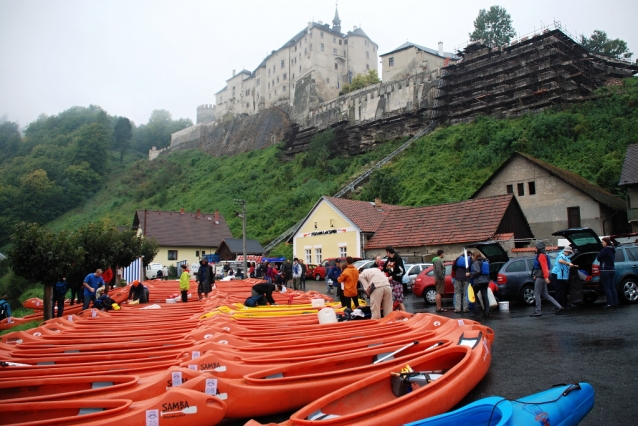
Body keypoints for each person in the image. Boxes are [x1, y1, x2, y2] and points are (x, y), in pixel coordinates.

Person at [530, 241, 563, 317]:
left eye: (536, 248)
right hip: (541, 276)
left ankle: (538, 311)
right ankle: (558, 306)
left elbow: (544, 267)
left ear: (539, 248)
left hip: (541, 277)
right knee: (545, 294)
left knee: (537, 294)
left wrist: (546, 277)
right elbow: (541, 267)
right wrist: (536, 275)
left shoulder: (541, 256)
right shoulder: (542, 255)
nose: (535, 249)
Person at [598, 237, 618, 309]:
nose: (601, 243)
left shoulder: (605, 249)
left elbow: (598, 258)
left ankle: (609, 303)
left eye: (602, 242)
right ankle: (615, 302)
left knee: (607, 287)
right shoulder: (612, 250)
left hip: (605, 270)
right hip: (612, 269)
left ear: (606, 242)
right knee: (612, 287)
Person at [384, 246, 406, 311]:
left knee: (399, 301)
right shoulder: (389, 259)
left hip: (397, 282)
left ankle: (405, 316)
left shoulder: (398, 259)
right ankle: (397, 316)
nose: (386, 254)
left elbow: (402, 272)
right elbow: (385, 268)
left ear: (388, 252)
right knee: (393, 301)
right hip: (390, 282)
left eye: (386, 252)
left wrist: (393, 277)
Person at [470, 252, 491, 318]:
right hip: (486, 280)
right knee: (485, 296)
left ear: (474, 256)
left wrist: (470, 274)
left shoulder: (476, 262)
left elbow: (477, 272)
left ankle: (476, 310)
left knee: (473, 294)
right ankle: (486, 312)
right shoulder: (485, 261)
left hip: (479, 281)